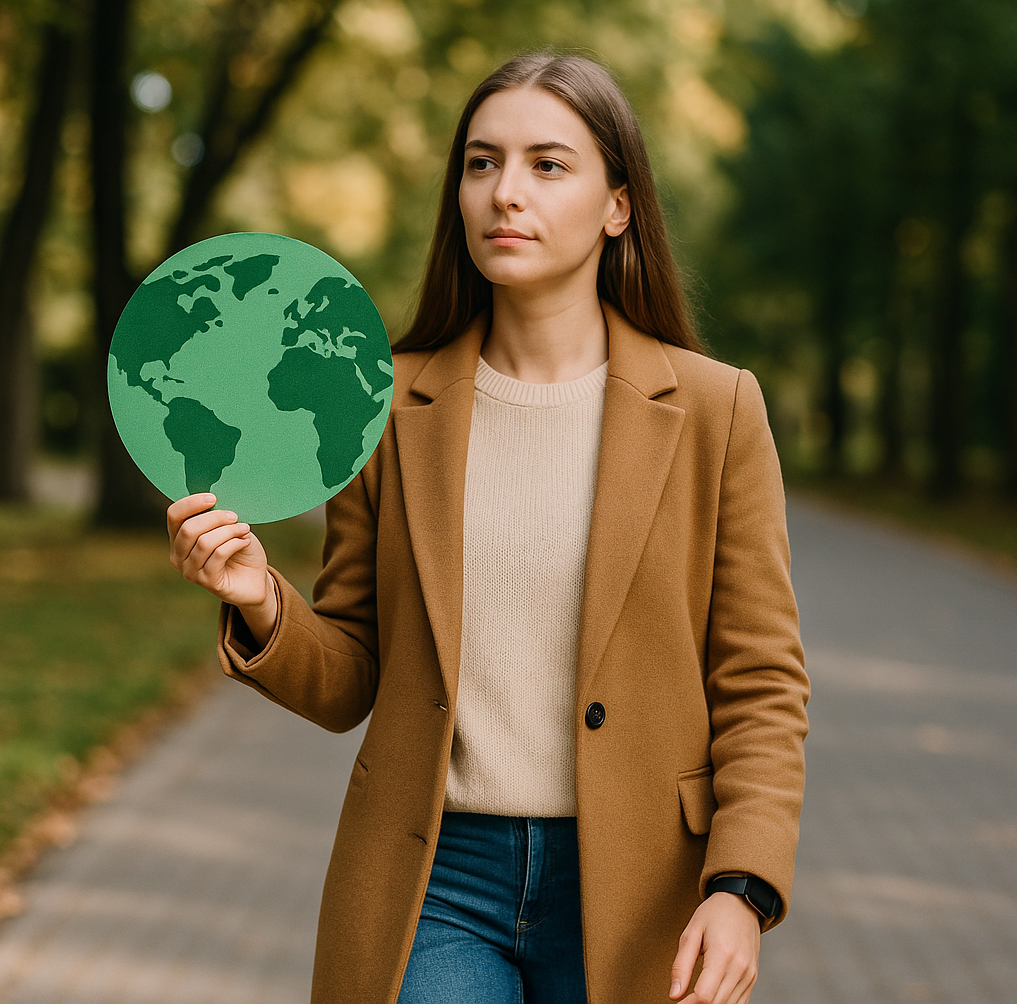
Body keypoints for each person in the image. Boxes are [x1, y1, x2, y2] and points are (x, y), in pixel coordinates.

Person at [167, 52, 809, 1004]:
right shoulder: (381, 408)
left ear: (617, 204)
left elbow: (760, 681)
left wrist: (742, 886)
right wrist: (262, 600)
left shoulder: (717, 411)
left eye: (548, 164)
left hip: (638, 882)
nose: (505, 192)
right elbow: (351, 676)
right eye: (481, 163)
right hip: (435, 879)